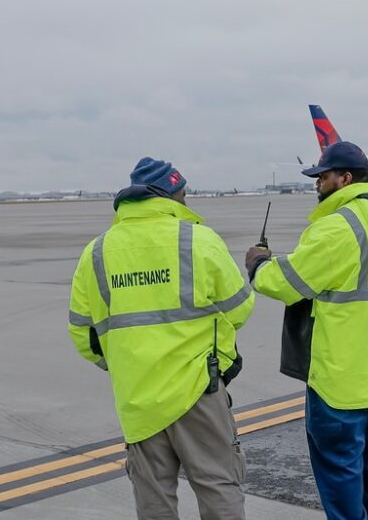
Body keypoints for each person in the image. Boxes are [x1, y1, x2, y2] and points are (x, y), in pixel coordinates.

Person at [245, 141, 368, 520]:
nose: (317, 183)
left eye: (323, 176)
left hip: (339, 379)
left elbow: (285, 284)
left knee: (339, 467)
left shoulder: (336, 228)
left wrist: (258, 264)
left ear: (345, 179)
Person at [68, 157, 255, 520]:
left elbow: (81, 332)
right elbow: (240, 308)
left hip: (138, 396)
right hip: (198, 388)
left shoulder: (97, 252)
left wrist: (123, 362)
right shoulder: (197, 239)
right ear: (171, 195)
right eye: (183, 194)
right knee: (218, 485)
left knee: (153, 500)